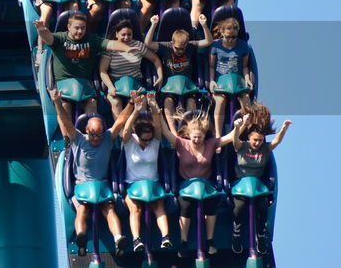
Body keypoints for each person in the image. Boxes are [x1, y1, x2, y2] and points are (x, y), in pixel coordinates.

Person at [49, 85, 137, 256]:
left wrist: (132, 103)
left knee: (109, 209)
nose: (96, 138)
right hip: (82, 185)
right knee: (83, 209)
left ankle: (118, 238)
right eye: (93, 135)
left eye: (99, 135)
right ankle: (81, 235)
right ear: (86, 131)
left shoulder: (107, 138)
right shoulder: (78, 138)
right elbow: (66, 121)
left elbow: (120, 121)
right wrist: (58, 102)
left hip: (102, 185)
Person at [161, 107, 245, 254]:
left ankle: (210, 240)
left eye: (199, 137)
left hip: (206, 185)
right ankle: (183, 241)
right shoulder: (182, 143)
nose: (197, 140)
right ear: (189, 135)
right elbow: (166, 132)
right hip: (186, 185)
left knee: (211, 204)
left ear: (204, 135)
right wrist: (157, 113)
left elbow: (231, 137)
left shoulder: (211, 144)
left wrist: (241, 125)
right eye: (194, 137)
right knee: (185, 205)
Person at [34, 13, 132, 118]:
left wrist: (126, 48)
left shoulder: (92, 40)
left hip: (86, 84)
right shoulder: (60, 38)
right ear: (69, 27)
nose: (80, 31)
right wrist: (42, 29)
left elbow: (111, 44)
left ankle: (90, 132)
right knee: (65, 106)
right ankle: (68, 134)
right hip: (63, 83)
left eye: (83, 28)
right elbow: (48, 38)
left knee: (92, 105)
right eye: (76, 28)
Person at [117, 91, 173, 252]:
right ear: (138, 136)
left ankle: (165, 237)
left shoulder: (155, 142)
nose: (147, 142)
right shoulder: (129, 142)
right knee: (135, 209)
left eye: (149, 139)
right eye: (144, 139)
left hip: (153, 183)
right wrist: (136, 109)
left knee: (159, 208)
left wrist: (154, 107)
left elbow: (157, 125)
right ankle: (136, 240)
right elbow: (126, 129)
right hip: (132, 184)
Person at [230, 119, 292, 256]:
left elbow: (276, 142)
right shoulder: (242, 147)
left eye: (260, 140)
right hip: (241, 184)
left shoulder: (265, 149)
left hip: (257, 186)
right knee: (239, 207)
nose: (257, 143)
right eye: (255, 140)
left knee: (262, 207)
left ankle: (261, 234)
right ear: (249, 138)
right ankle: (236, 233)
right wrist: (237, 127)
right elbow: (235, 140)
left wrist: (284, 129)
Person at [146, 14, 213, 117]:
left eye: (183, 48)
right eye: (177, 48)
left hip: (187, 85)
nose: (180, 51)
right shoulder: (166, 46)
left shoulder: (190, 46)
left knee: (191, 102)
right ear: (172, 43)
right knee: (168, 102)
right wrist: (153, 25)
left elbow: (208, 41)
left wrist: (204, 25)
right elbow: (148, 43)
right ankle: (172, 130)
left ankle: (189, 124)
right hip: (169, 85)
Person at [98, 17, 163, 119]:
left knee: (142, 101)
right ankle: (120, 131)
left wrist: (160, 75)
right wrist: (110, 87)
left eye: (129, 34)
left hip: (136, 83)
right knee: (115, 102)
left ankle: (138, 129)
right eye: (123, 35)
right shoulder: (111, 47)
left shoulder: (138, 46)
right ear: (116, 34)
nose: (126, 37)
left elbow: (155, 59)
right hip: (116, 84)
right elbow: (103, 70)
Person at [209, 13, 255, 135]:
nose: (230, 40)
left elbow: (245, 66)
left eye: (233, 37)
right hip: (221, 82)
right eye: (227, 37)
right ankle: (218, 134)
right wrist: (211, 80)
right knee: (220, 101)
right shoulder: (215, 46)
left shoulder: (243, 46)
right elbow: (211, 66)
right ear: (222, 34)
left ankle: (248, 130)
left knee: (245, 100)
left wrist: (247, 79)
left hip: (237, 81)